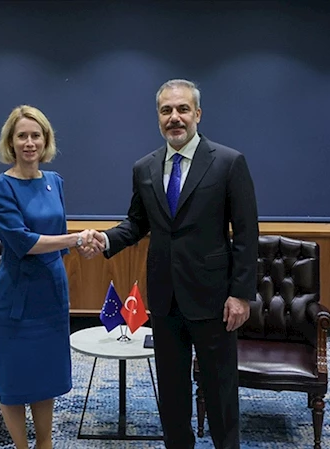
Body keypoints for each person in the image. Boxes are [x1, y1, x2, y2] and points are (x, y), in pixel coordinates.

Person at [91, 79, 259, 449]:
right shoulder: (144, 167)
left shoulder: (228, 162)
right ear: (158, 117)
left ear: (197, 114)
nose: (175, 117)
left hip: (215, 299)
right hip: (165, 299)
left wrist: (241, 295)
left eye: (183, 109)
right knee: (172, 393)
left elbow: (247, 234)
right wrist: (106, 239)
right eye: (166, 110)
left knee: (219, 390)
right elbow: (136, 223)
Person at [0, 105, 96, 449]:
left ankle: (44, 444)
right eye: (22, 136)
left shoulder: (54, 182)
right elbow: (23, 242)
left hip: (52, 292)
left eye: (36, 135)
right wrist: (75, 240)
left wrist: (81, 247)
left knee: (45, 378)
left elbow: (58, 236)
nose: (29, 142)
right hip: (18, 296)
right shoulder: (0, 186)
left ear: (46, 140)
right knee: (15, 380)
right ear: (11, 142)